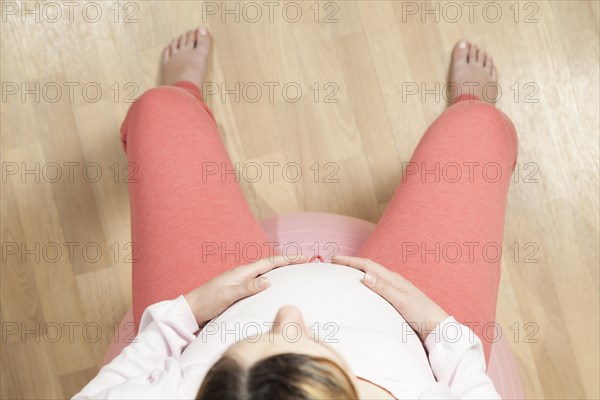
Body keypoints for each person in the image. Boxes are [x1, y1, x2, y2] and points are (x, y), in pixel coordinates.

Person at [74, 25, 516, 399]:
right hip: (409, 317)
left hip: (215, 304)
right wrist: (439, 329)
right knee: (480, 129)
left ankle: (183, 92)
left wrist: (185, 315)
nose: (287, 313)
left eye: (259, 338)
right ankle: (469, 103)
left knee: (159, 110)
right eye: (311, 340)